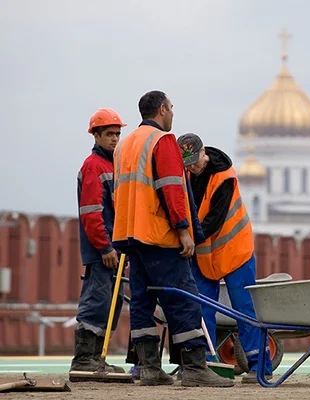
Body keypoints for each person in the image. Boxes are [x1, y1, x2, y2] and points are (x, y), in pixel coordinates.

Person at [112, 90, 233, 388]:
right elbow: (171, 188)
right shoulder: (162, 141)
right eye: (172, 107)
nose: (173, 113)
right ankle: (194, 368)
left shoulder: (124, 145)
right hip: (159, 236)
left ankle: (150, 368)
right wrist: (183, 229)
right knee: (182, 300)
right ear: (163, 109)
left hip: (130, 235)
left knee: (142, 302)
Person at [176, 133, 273, 384]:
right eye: (186, 164)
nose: (191, 167)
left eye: (194, 161)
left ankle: (260, 366)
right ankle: (206, 366)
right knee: (201, 308)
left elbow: (213, 221)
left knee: (244, 309)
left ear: (203, 153)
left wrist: (186, 239)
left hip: (234, 250)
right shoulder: (186, 175)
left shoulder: (224, 178)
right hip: (205, 253)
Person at [71, 108, 128, 375]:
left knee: (111, 303)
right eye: (109, 134)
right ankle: (85, 360)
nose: (115, 139)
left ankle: (98, 359)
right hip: (102, 251)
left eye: (117, 134)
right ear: (96, 136)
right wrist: (104, 247)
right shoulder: (94, 166)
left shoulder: (113, 165)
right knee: (97, 301)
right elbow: (91, 213)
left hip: (114, 249)